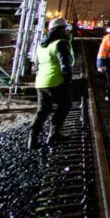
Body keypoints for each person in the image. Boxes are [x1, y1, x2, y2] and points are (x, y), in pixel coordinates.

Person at [29, 17, 75, 149]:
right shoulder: (60, 43)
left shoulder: (41, 45)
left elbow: (35, 66)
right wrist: (67, 80)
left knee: (43, 111)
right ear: (60, 30)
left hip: (41, 82)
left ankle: (33, 138)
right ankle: (53, 135)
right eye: (66, 29)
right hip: (56, 81)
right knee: (65, 105)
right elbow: (65, 65)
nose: (67, 31)